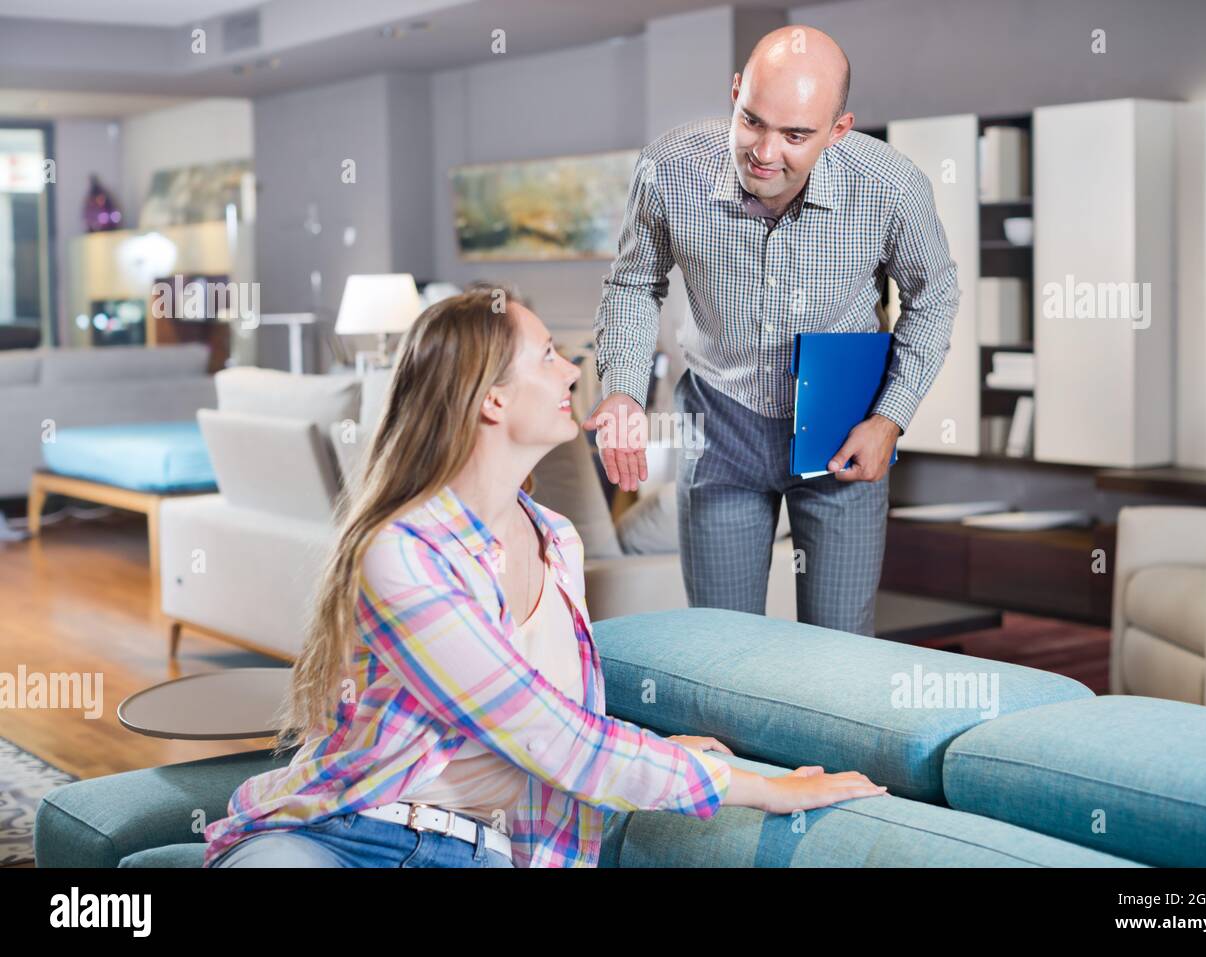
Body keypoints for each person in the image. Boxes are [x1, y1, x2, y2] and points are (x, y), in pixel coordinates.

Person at [202, 284, 887, 869]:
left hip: (486, 851)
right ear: (491, 400)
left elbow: (556, 717)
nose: (570, 373)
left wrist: (646, 747)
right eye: (549, 356)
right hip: (347, 837)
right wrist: (766, 789)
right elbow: (549, 736)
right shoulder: (402, 551)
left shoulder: (557, 540)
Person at [584, 25, 960, 636]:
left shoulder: (891, 187)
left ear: (838, 130)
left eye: (795, 135)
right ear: (735, 92)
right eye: (752, 120)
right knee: (726, 648)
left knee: (838, 651)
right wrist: (623, 389)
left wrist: (889, 417)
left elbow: (935, 296)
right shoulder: (667, 170)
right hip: (720, 418)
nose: (764, 152)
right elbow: (633, 284)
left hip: (842, 426)